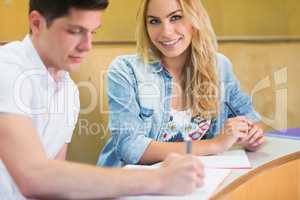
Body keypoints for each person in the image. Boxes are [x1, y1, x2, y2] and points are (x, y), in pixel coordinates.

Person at [0, 0, 205, 199]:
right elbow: (34, 177)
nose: (87, 45)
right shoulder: (7, 68)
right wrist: (159, 179)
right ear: (37, 23)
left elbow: (54, 183)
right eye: (74, 31)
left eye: (93, 32)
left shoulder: (67, 90)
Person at [97, 0, 265, 167]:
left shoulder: (219, 66)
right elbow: (130, 148)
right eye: (154, 21)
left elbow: (249, 117)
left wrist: (251, 135)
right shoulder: (125, 70)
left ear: (195, 19)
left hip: (194, 182)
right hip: (133, 185)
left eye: (176, 17)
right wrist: (214, 145)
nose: (166, 32)